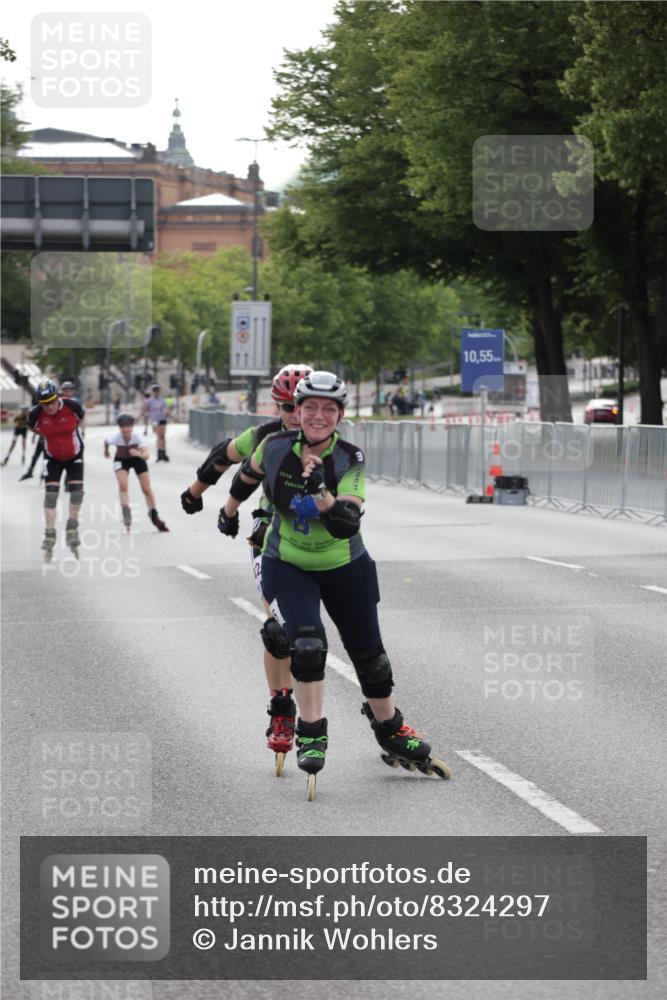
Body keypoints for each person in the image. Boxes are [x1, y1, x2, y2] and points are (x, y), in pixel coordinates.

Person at [217, 370, 450, 798]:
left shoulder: (348, 458)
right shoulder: (275, 445)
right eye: (310, 407)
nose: (318, 416)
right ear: (298, 410)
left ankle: (390, 728)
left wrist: (322, 492)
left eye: (329, 409)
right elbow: (247, 475)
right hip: (287, 562)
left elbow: (346, 523)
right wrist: (229, 510)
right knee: (307, 646)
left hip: (346, 562)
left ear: (340, 415)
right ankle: (311, 732)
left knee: (371, 659)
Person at [181, 364, 313, 773]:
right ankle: (282, 710)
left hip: (319, 541)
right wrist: (196, 493)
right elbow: (224, 457)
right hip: (271, 536)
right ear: (277, 407)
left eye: (304, 405)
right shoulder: (266, 436)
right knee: (280, 631)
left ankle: (384, 720)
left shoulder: (330, 439)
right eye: (288, 407)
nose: (297, 415)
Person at [27, 379, 85, 561]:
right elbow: (32, 426)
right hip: (52, 457)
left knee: (77, 493)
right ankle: (49, 533)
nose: (50, 407)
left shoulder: (72, 406)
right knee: (51, 495)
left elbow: (81, 417)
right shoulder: (35, 414)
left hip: (74, 454)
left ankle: (72, 526)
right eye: (45, 404)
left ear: (57, 397)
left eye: (52, 402)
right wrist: (45, 433)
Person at [104, 413, 169, 532]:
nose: (126, 429)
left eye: (128, 426)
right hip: (121, 460)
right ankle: (126, 512)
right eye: (123, 426)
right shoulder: (116, 438)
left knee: (146, 488)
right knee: (123, 485)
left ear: (132, 427)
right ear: (119, 427)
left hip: (138, 459)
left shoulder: (137, 437)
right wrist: (106, 452)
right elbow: (106, 442)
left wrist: (138, 454)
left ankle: (154, 514)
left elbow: (147, 455)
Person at [142, 384, 170, 461]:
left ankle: (163, 452)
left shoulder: (162, 400)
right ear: (153, 392)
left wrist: (167, 413)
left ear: (159, 392)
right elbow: (145, 409)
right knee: (159, 436)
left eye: (157, 391)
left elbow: (166, 409)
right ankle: (159, 453)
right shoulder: (149, 401)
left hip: (162, 419)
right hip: (155, 420)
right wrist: (140, 416)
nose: (156, 392)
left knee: (163, 436)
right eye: (155, 391)